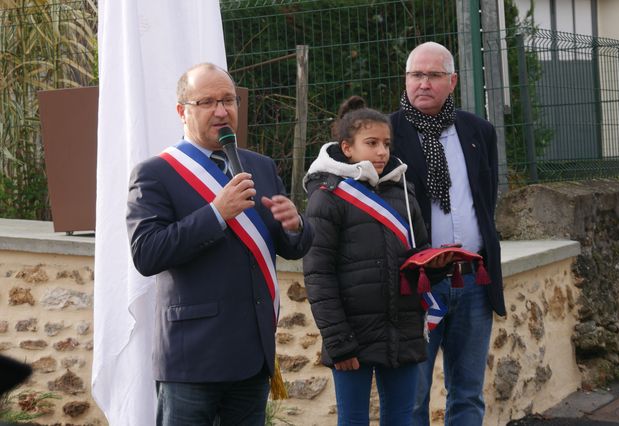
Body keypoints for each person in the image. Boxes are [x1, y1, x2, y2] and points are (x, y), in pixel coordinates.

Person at [126, 63, 313, 426]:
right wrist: (216, 213)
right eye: (208, 102)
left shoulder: (260, 166)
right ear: (182, 111)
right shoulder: (155, 173)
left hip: (252, 353)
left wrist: (296, 224)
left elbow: (292, 247)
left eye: (228, 100)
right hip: (192, 357)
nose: (222, 111)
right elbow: (147, 253)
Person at [303, 96, 450, 426]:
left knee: (402, 418)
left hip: (403, 328)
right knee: (353, 419)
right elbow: (318, 274)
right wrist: (338, 342)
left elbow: (418, 258)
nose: (382, 152)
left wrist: (439, 266)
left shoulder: (404, 191)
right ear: (347, 148)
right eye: (371, 143)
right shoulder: (327, 196)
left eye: (386, 143)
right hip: (351, 334)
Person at [390, 41, 507, 425]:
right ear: (405, 79)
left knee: (468, 395)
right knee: (413, 397)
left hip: (473, 280)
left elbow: (485, 199)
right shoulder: (386, 134)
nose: (423, 83)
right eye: (416, 75)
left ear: (452, 81)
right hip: (418, 284)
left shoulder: (478, 131)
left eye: (433, 75)